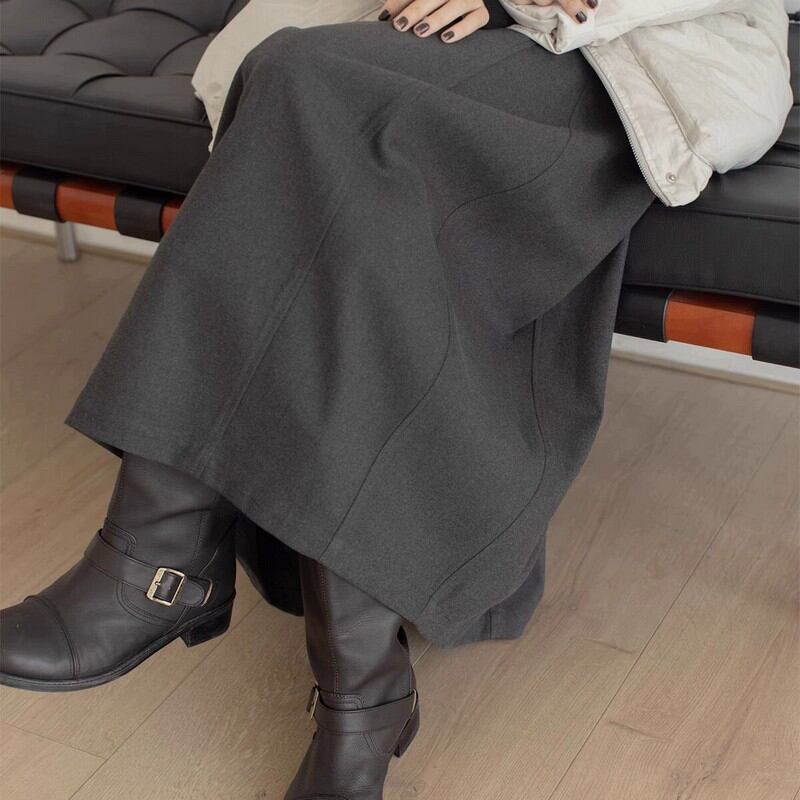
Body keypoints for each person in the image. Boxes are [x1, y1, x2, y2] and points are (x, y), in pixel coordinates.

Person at [0, 1, 790, 797]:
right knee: (307, 96)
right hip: (459, 28)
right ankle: (355, 691)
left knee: (311, 85)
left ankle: (163, 563)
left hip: (632, 44)